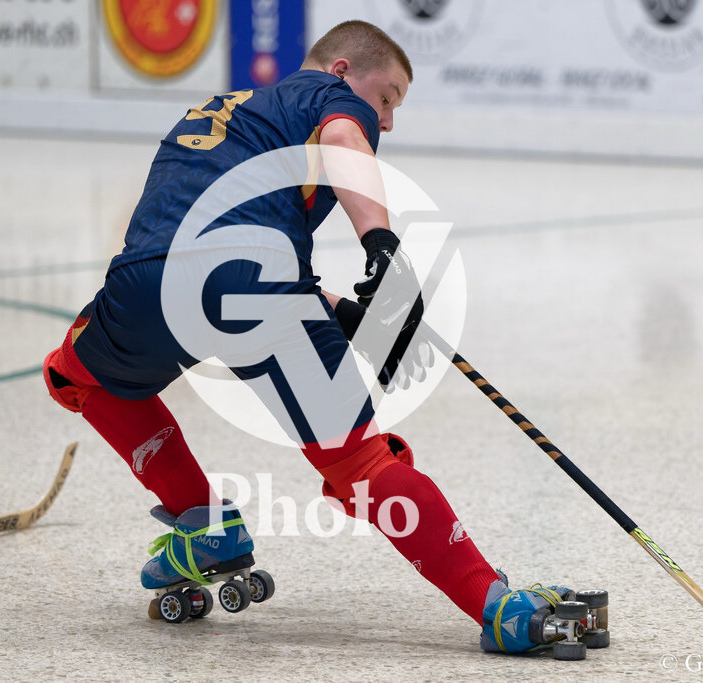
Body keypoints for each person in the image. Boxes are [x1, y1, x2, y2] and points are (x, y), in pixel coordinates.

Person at [44, 20, 579, 653]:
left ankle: (202, 522)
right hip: (258, 285)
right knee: (362, 464)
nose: (387, 120)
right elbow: (345, 140)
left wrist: (343, 314)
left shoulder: (233, 112)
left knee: (76, 374)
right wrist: (380, 243)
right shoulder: (326, 97)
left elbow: (223, 236)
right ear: (343, 70)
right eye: (388, 97)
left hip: (152, 281)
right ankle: (497, 607)